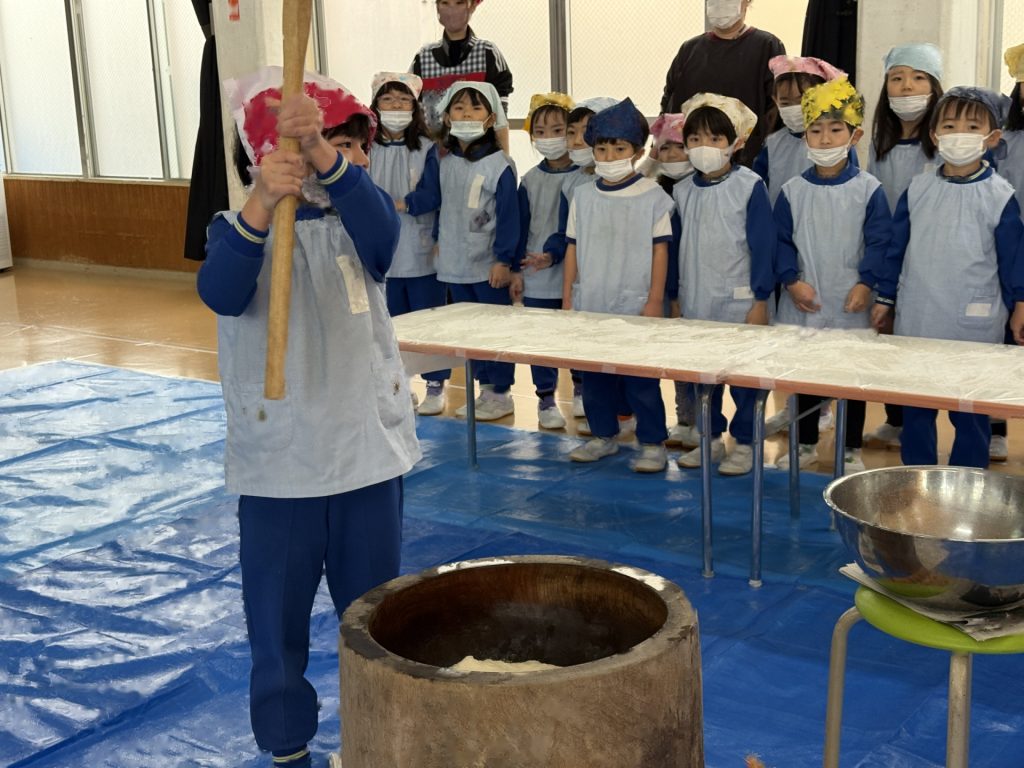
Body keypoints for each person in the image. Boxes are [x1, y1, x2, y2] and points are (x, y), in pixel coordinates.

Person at [202, 68, 420, 768]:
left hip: (365, 457)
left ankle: (377, 737)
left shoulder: (359, 222)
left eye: (352, 144)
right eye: (327, 143)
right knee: (276, 622)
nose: (346, 157)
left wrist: (323, 151)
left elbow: (385, 237)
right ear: (262, 155)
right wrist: (265, 200)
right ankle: (286, 743)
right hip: (281, 469)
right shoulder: (236, 227)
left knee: (376, 617)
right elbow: (221, 292)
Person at [871, 86, 1024, 469]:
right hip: (918, 318)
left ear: (992, 138)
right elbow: (896, 249)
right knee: (917, 408)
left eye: (972, 127)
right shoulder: (918, 188)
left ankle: (967, 481)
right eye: (950, 126)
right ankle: (915, 476)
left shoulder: (1000, 195)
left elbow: (1013, 259)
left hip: (975, 324)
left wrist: (1020, 303)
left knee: (970, 410)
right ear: (935, 135)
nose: (960, 135)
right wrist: (885, 298)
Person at [773, 78, 891, 473]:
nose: (825, 139)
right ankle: (805, 443)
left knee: (851, 378)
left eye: (836, 129)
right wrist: (792, 281)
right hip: (804, 300)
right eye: (816, 130)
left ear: (854, 135)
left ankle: (850, 448)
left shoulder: (868, 189)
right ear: (804, 135)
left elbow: (880, 242)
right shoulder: (792, 191)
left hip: (850, 301)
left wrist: (866, 283)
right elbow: (781, 242)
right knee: (806, 377)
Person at [562, 98, 673, 473]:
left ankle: (653, 442)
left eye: (619, 149)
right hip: (591, 301)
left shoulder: (653, 197)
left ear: (638, 152)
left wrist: (654, 300)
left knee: (641, 379)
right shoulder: (582, 196)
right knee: (594, 378)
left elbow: (660, 252)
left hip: (636, 302)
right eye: (602, 149)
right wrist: (568, 297)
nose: (609, 156)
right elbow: (573, 248)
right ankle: (602, 436)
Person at [671, 93, 776, 476]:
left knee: (745, 379)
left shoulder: (750, 186)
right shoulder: (682, 191)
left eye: (715, 138)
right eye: (695, 139)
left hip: (742, 301)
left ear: (735, 142)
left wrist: (760, 300)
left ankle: (746, 443)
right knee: (702, 379)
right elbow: (675, 248)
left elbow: (763, 246)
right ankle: (709, 439)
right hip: (695, 300)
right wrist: (674, 298)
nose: (705, 146)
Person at [421, 80, 519, 421]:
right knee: (470, 330)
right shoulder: (443, 160)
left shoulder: (499, 164)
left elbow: (509, 216)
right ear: (447, 117)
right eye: (459, 108)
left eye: (476, 108)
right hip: (453, 262)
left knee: (494, 329)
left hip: (487, 264)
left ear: (490, 119)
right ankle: (483, 389)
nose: (466, 115)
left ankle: (501, 393)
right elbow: (442, 205)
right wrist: (437, 237)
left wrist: (504, 260)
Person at [863, 43, 944, 451]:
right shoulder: (882, 143)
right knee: (891, 341)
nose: (907, 86)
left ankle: (985, 428)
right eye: (897, 78)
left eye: (918, 78)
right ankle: (896, 420)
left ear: (935, 87)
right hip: (889, 254)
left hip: (930, 256)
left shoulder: (944, 146)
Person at [368, 71, 450, 416]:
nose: (396, 106)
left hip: (419, 250)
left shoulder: (428, 149)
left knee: (427, 323)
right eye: (388, 99)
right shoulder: (365, 147)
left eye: (403, 100)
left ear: (415, 108)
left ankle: (435, 385)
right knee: (389, 325)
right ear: (375, 105)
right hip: (379, 252)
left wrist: (399, 204)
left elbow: (433, 194)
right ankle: (399, 385)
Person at [554, 96, 623, 431]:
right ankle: (602, 428)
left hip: (626, 290)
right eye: (573, 131)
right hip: (588, 287)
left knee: (627, 364)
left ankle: (633, 423)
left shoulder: (641, 188)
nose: (580, 139)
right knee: (592, 360)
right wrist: (569, 292)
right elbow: (568, 240)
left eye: (588, 130)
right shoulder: (575, 186)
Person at [511, 92, 577, 430]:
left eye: (557, 130)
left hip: (575, 272)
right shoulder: (530, 181)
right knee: (541, 339)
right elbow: (519, 227)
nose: (549, 138)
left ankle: (582, 390)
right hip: (536, 271)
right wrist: (516, 270)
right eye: (540, 131)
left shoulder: (585, 177)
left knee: (579, 336)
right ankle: (546, 397)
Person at [659, 0, 785, 167]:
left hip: (745, 161)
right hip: (690, 161)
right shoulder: (690, 49)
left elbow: (776, 110)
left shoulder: (766, 46)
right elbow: (669, 104)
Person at [649, 112, 698, 450]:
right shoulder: (655, 192)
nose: (671, 154)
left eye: (679, 146)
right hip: (665, 286)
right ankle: (684, 419)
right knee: (677, 357)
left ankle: (702, 424)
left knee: (698, 357)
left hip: (696, 285)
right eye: (664, 147)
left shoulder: (701, 189)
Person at [411, 0, 513, 151]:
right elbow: (411, 110)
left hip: (480, 154)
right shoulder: (423, 57)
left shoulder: (487, 53)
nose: (452, 10)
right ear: (437, 7)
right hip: (434, 156)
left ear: (472, 6)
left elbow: (500, 117)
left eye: (459, 2)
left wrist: (503, 158)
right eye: (445, 3)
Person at [753, 55, 848, 206]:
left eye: (802, 100)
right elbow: (757, 190)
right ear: (775, 100)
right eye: (786, 103)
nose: (795, 108)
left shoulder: (838, 143)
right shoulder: (772, 144)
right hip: (780, 219)